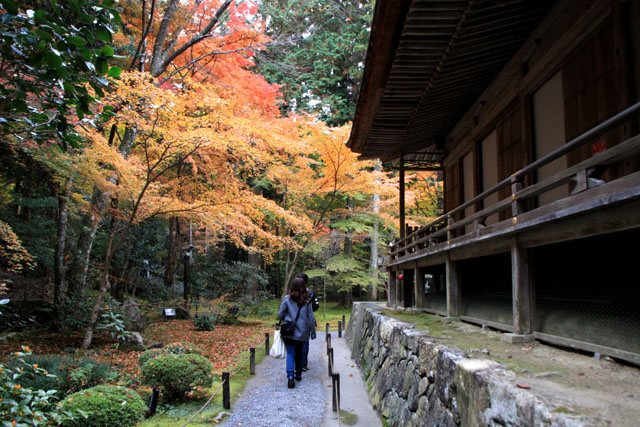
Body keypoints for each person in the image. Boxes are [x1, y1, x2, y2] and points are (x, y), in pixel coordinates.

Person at [278, 277, 316, 388]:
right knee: (299, 353)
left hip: (289, 331)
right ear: (304, 287)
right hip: (302, 332)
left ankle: (290, 376)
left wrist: (287, 318)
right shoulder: (307, 301)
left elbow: (280, 314)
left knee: (290, 353)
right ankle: (298, 374)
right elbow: (311, 317)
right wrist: (312, 332)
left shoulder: (287, 299)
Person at [295, 272, 318, 372]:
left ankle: (297, 363)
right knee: (304, 342)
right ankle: (303, 364)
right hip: (306, 321)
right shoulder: (310, 293)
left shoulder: (292, 293)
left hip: (294, 321)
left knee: (296, 342)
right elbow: (316, 305)